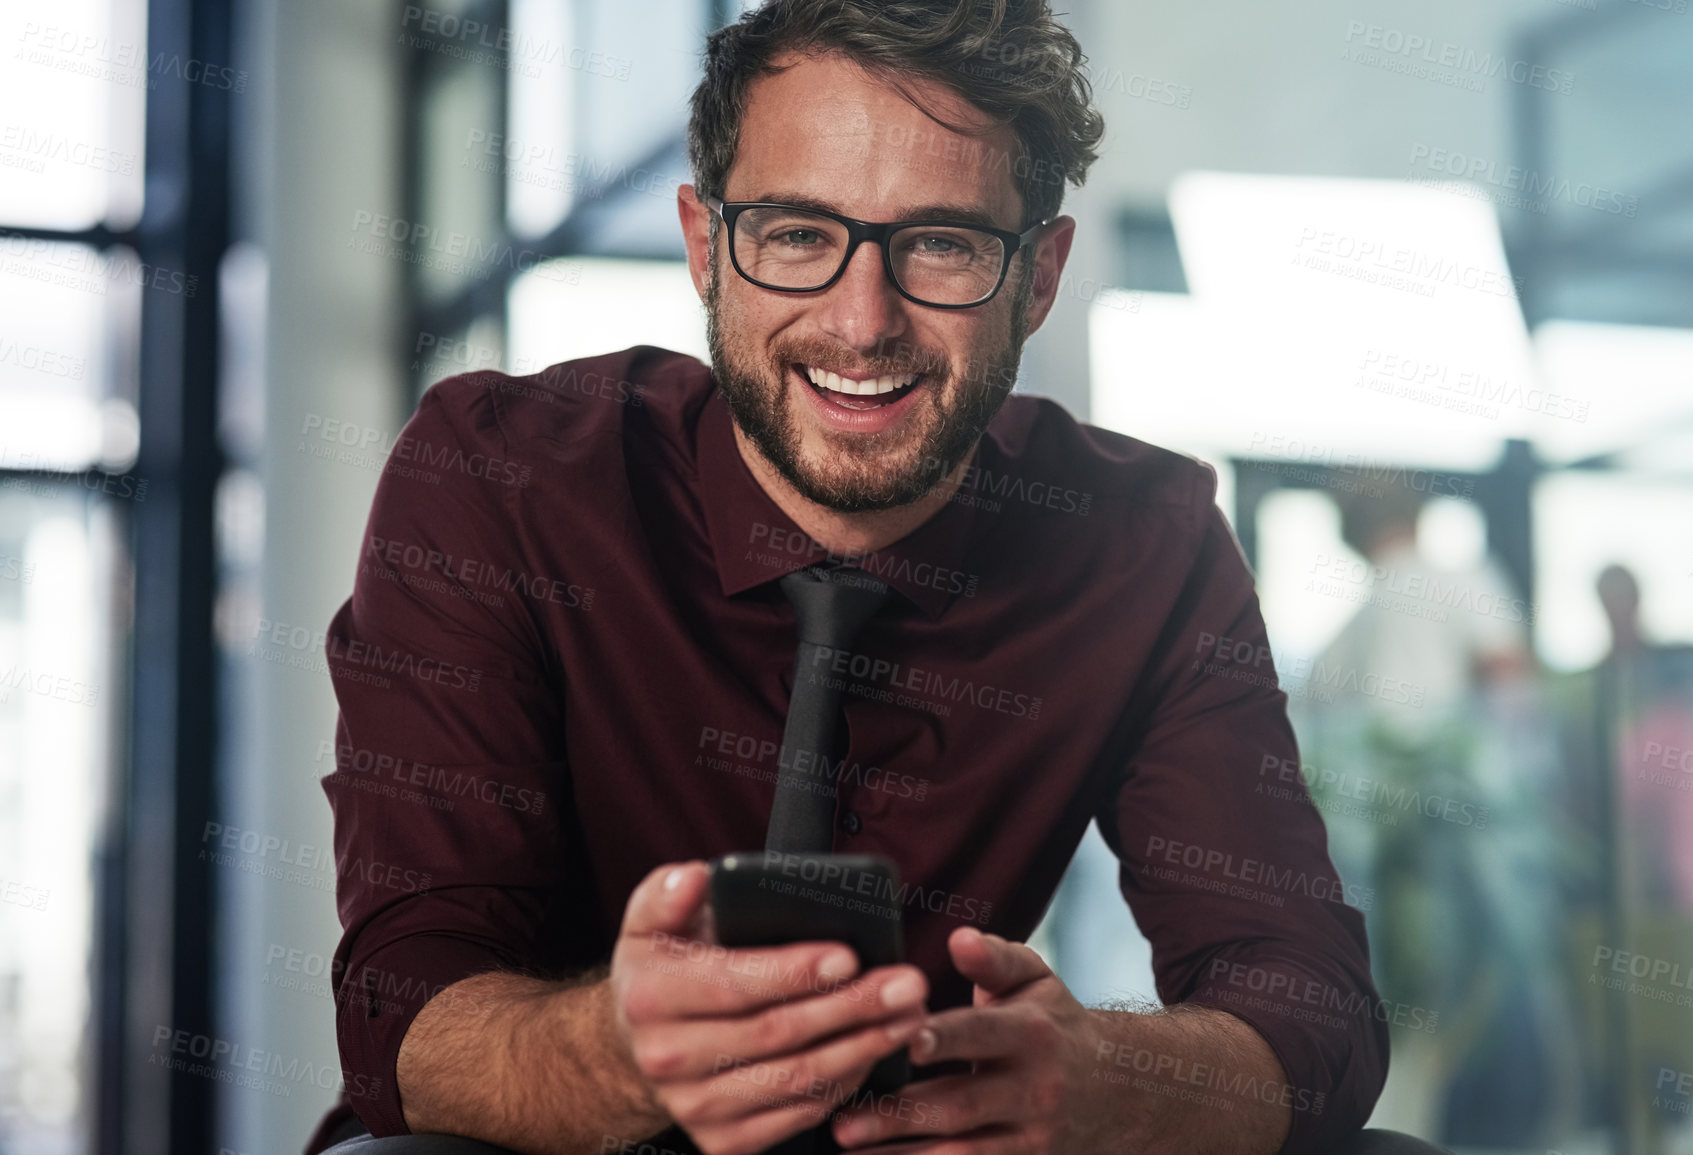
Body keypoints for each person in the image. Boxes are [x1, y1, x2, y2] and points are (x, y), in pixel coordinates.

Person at [308, 3, 1418, 1153]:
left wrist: (1112, 1083)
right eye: (795, 234)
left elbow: (1305, 998)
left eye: (942, 242)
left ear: (1038, 276)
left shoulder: (1148, 540)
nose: (862, 320)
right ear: (704, 244)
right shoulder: (499, 476)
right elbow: (405, 1005)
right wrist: (619, 1053)